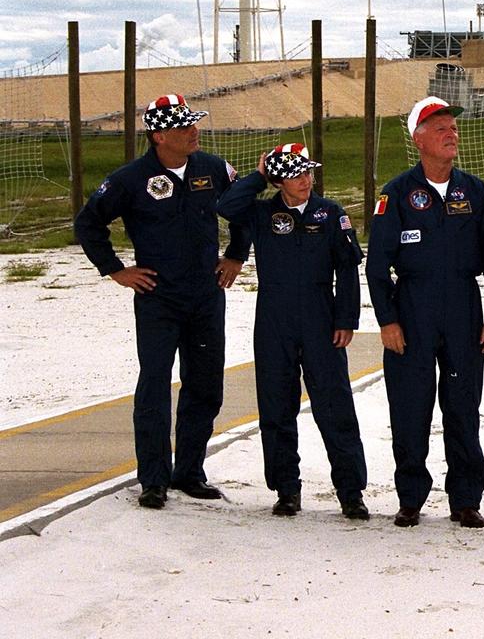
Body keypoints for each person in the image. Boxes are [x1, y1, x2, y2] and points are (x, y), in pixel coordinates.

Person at [74, 94, 249, 509]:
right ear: (158, 136)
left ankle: (189, 471)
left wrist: (236, 255)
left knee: (205, 384)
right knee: (154, 384)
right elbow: (89, 222)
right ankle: (153, 478)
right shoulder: (130, 179)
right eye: (182, 127)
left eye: (194, 124)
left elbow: (244, 209)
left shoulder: (213, 168)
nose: (193, 132)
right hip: (158, 297)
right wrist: (116, 270)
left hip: (206, 294)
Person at [366, 96, 484, 529]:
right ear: (418, 138)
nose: (451, 133)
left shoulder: (475, 191)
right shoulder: (396, 193)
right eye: (440, 127)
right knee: (411, 406)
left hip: (464, 306)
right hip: (413, 309)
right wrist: (387, 320)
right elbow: (376, 265)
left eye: (452, 126)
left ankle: (465, 499)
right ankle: (410, 497)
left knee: (463, 406)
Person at [216, 143, 369, 520]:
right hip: (274, 320)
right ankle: (286, 490)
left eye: (308, 172)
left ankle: (351, 493)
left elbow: (348, 269)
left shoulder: (330, 213)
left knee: (335, 407)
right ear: (280, 179)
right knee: (276, 406)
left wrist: (346, 319)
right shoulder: (262, 212)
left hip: (320, 319)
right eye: (296, 173)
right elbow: (226, 207)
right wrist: (259, 177)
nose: (305, 180)